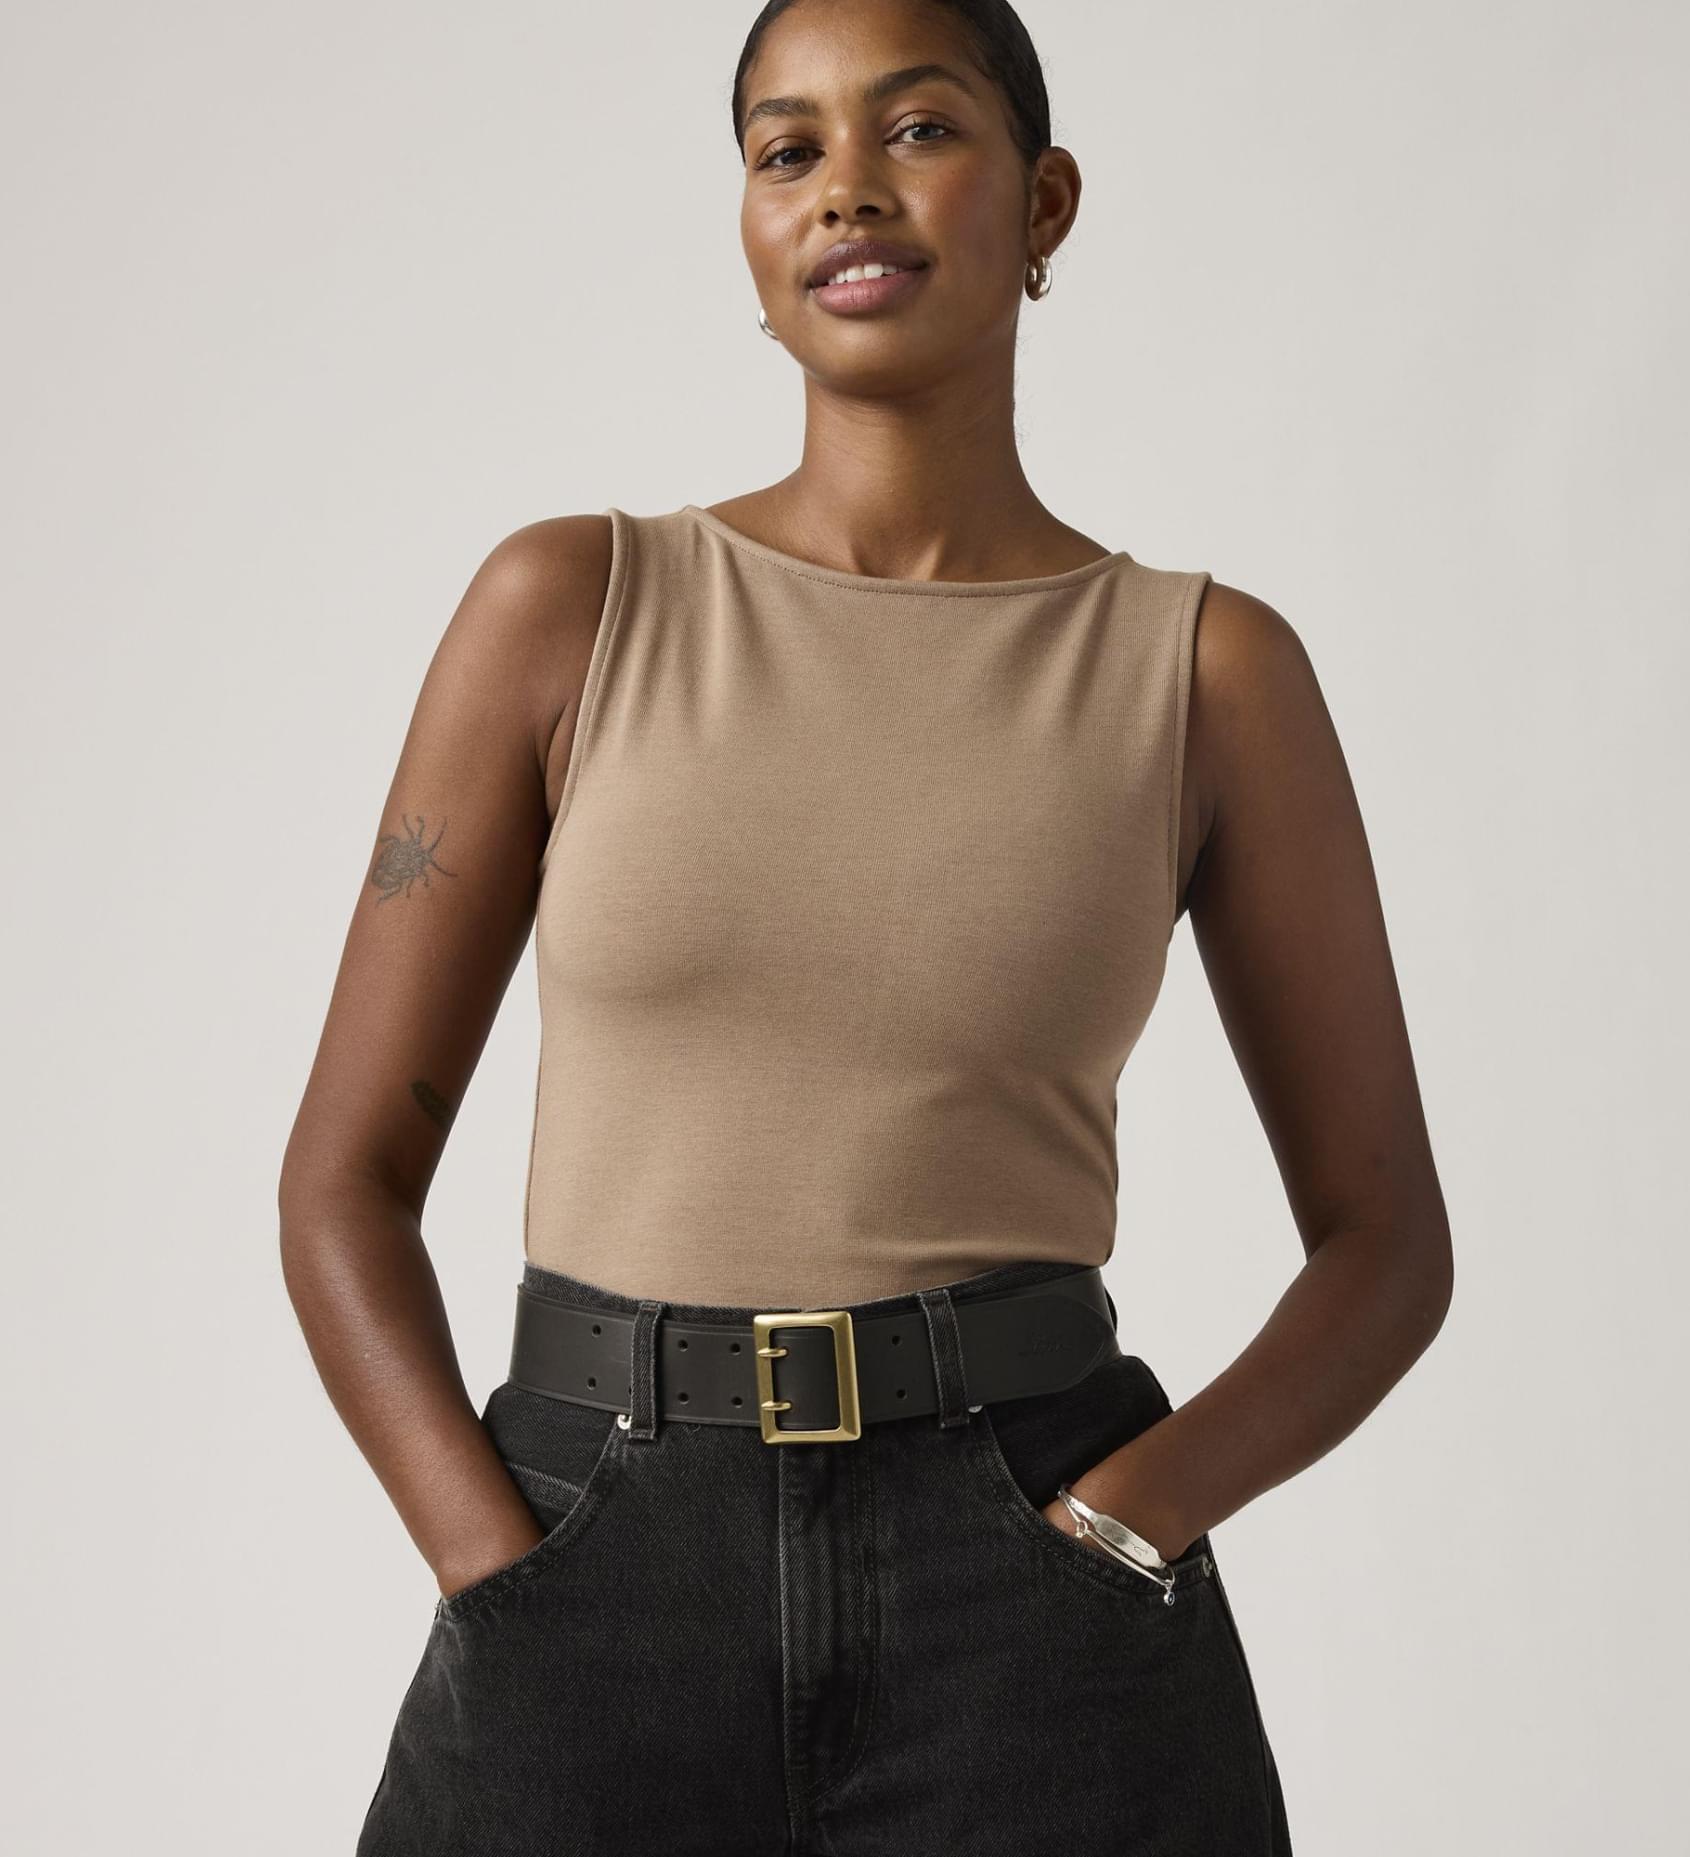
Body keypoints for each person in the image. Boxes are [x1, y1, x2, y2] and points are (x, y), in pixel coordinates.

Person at [278, 1, 1453, 1850]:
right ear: (749, 224)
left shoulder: (1202, 674)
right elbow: (342, 1182)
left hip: (1033, 1584)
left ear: (1043, 202)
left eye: (916, 129)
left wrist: (1121, 1526)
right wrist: (494, 1569)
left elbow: (1384, 1246)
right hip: (593, 1548)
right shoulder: (569, 608)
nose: (844, 189)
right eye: (787, 148)